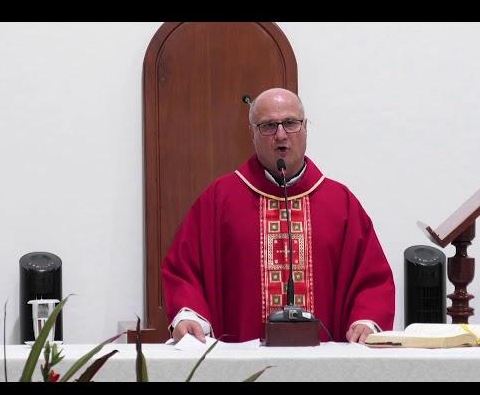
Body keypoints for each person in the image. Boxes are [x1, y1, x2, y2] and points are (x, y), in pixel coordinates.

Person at [162, 88, 395, 344]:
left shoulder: (340, 202)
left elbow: (371, 279)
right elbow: (185, 271)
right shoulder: (220, 199)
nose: (281, 135)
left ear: (305, 128)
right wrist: (189, 316)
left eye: (290, 123)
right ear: (252, 133)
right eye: (269, 126)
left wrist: (365, 320)